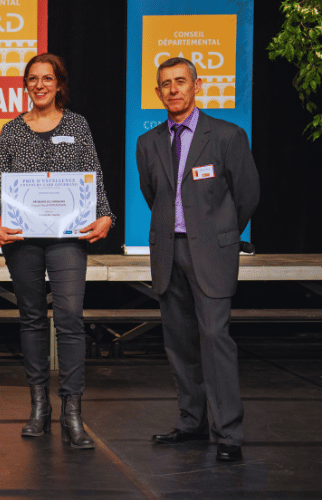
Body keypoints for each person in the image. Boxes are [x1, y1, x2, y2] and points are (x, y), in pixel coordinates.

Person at [0, 53, 114, 449]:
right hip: (22, 239)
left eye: (47, 78)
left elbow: (94, 174)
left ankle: (72, 411)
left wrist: (106, 215)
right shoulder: (11, 130)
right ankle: (39, 407)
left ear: (59, 84)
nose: (40, 85)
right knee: (32, 319)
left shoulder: (77, 125)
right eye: (33, 79)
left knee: (71, 317)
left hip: (67, 238)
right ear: (26, 85)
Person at [137, 57, 259, 462]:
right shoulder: (149, 142)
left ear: (196, 85)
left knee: (215, 341)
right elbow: (151, 193)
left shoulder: (226, 136)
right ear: (158, 92)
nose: (173, 89)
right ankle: (192, 423)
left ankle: (228, 434)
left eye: (180, 82)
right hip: (168, 251)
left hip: (211, 254)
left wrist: (218, 234)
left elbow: (247, 196)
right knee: (179, 344)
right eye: (166, 84)